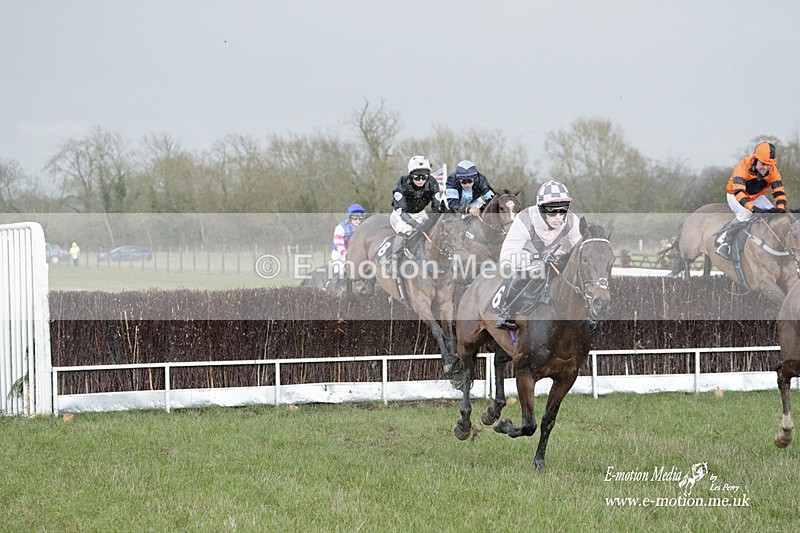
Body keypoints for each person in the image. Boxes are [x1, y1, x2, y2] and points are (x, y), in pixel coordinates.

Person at [494, 180, 582, 330]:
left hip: (553, 257)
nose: (559, 217)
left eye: (563, 211)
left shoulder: (572, 221)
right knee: (524, 272)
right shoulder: (524, 220)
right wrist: (538, 258)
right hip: (524, 259)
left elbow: (581, 250)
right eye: (553, 211)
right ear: (541, 209)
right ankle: (507, 310)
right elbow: (507, 259)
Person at [715, 141, 788, 260]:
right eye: (763, 164)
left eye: (768, 165)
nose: (766, 168)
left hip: (755, 196)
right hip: (735, 194)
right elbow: (739, 193)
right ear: (755, 160)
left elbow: (779, 192)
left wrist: (780, 208)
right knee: (746, 213)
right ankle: (724, 241)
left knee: (775, 215)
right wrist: (753, 208)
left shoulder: (773, 171)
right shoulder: (743, 166)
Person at [389, 155, 442, 254]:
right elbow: (401, 210)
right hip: (401, 215)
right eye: (417, 177)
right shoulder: (402, 183)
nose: (421, 180)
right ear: (411, 175)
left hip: (420, 213)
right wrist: (414, 224)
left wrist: (433, 221)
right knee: (404, 234)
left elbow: (436, 207)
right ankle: (394, 260)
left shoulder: (432, 183)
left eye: (424, 177)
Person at [330, 203, 366, 275]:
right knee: (340, 271)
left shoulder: (363, 228)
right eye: (355, 218)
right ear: (349, 218)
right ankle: (334, 283)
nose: (358, 220)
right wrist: (346, 254)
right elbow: (339, 245)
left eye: (360, 218)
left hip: (354, 255)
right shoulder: (340, 228)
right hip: (340, 254)